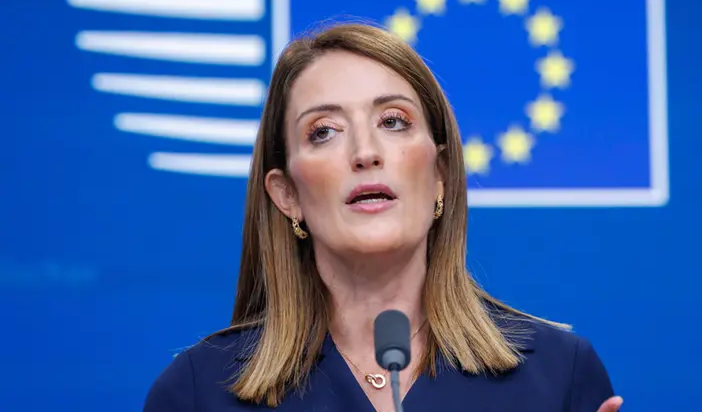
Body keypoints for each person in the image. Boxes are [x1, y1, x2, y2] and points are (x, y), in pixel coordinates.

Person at [143, 22, 623, 412]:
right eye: (324, 131)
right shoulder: (199, 393)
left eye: (393, 121)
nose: (365, 152)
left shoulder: (558, 375)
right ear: (287, 195)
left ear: (440, 176)